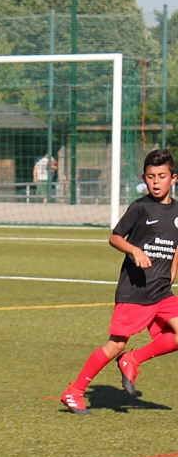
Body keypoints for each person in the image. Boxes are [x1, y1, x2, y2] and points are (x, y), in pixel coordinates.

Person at [61, 148, 178, 415]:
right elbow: (114, 237)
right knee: (116, 344)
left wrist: (174, 269)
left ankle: (133, 360)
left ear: (174, 178)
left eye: (161, 176)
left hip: (162, 291)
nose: (156, 182)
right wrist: (135, 251)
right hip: (135, 291)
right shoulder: (140, 207)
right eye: (150, 177)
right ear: (144, 178)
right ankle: (75, 391)